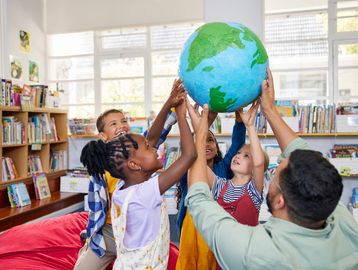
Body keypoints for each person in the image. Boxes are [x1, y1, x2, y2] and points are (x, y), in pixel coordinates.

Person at [185, 69, 358, 269]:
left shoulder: (252, 252)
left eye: (277, 173)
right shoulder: (344, 222)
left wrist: (200, 133)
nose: (272, 172)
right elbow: (303, 155)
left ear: (279, 201)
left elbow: (198, 198)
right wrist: (271, 111)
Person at [74, 79, 184, 270]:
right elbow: (95, 210)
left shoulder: (136, 152)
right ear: (103, 136)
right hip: (109, 231)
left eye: (124, 121)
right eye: (113, 123)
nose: (121, 125)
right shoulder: (102, 165)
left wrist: (169, 103)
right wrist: (91, 235)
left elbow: (153, 137)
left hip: (138, 229)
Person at [176, 101, 268, 270]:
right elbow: (195, 161)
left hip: (245, 256)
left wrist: (249, 126)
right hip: (221, 256)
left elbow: (259, 162)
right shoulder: (220, 185)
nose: (238, 155)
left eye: (247, 155)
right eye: (239, 152)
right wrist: (199, 131)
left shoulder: (254, 190)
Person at [176, 106, 246, 232]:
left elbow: (237, 145)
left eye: (210, 141)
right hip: (192, 229)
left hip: (218, 229)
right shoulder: (187, 168)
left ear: (216, 148)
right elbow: (189, 151)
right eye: (203, 141)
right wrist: (203, 125)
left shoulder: (224, 168)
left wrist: (240, 122)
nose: (206, 144)